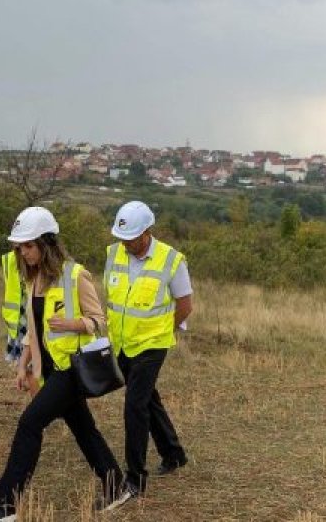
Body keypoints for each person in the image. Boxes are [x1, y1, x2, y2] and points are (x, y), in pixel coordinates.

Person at [0, 207, 126, 522]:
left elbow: (99, 322)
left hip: (71, 370)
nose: (24, 253)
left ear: (47, 243)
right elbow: (34, 330)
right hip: (48, 370)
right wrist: (24, 365)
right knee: (84, 429)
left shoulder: (75, 275)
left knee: (30, 424)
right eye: (20, 247)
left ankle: (7, 504)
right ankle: (117, 485)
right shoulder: (32, 280)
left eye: (29, 246)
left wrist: (72, 324)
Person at [103, 200, 192, 505]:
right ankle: (174, 453)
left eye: (132, 239)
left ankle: (135, 477)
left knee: (134, 405)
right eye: (122, 238)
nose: (126, 244)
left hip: (153, 344)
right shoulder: (113, 253)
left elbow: (185, 305)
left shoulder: (171, 260)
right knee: (147, 398)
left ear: (147, 232)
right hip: (123, 342)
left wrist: (165, 332)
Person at [1, 250, 27, 364]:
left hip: (31, 316)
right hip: (18, 319)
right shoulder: (9, 259)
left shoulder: (40, 255)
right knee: (23, 364)